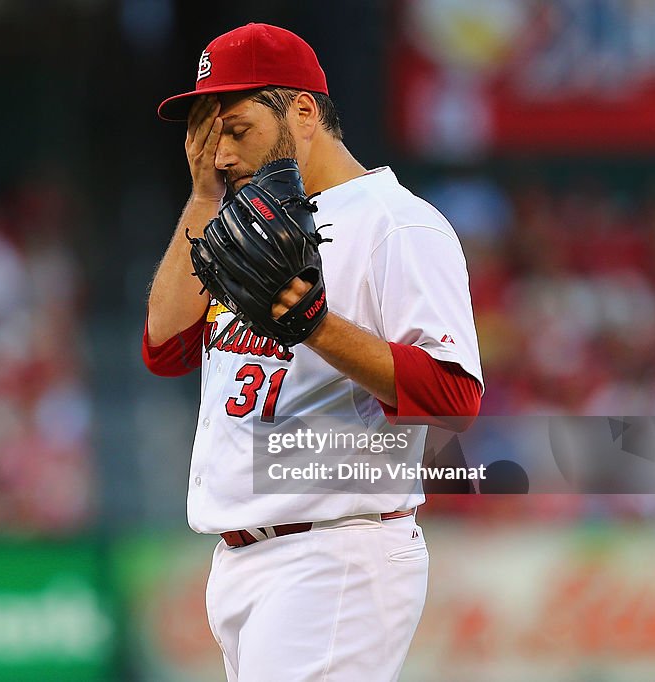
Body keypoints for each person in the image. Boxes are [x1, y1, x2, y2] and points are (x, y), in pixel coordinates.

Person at [142, 23, 484, 681]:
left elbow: (453, 397)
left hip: (334, 554)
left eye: (235, 130)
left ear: (302, 112)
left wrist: (316, 325)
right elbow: (165, 348)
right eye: (209, 138)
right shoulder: (243, 217)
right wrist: (203, 198)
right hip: (247, 565)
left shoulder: (397, 224)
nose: (220, 155)